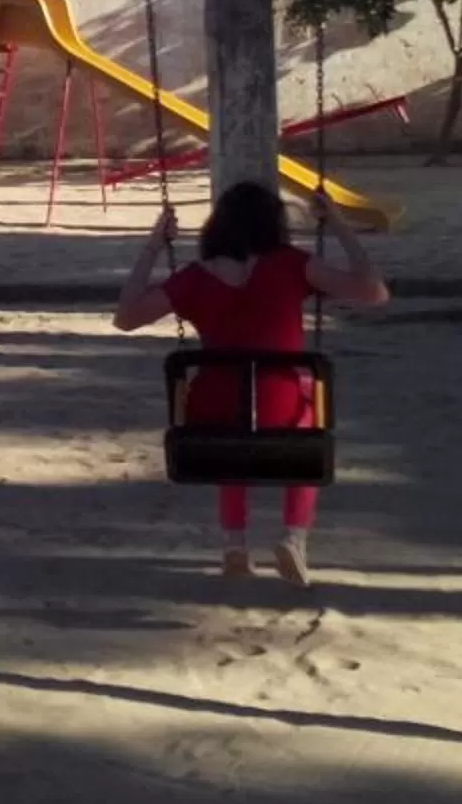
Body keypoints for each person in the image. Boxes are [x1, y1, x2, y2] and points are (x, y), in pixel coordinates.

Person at [114, 179, 389, 585]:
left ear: (217, 226)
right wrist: (339, 225)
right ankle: (294, 538)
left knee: (232, 421)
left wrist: (154, 245)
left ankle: (234, 543)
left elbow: (126, 317)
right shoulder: (293, 264)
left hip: (211, 410)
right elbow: (374, 292)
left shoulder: (193, 278)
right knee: (305, 414)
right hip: (282, 406)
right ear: (273, 225)